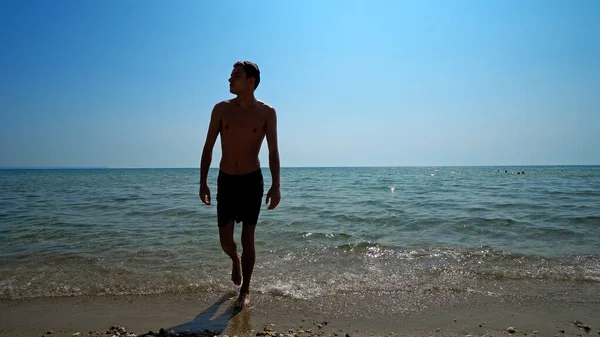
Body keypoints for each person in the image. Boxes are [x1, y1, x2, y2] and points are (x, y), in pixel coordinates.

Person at [199, 61, 281, 309]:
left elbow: (273, 151)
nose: (230, 80)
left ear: (250, 82)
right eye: (230, 75)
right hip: (226, 180)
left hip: (251, 181)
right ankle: (235, 259)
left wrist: (276, 184)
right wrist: (202, 181)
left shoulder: (267, 112)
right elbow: (208, 146)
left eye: (236, 76)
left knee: (248, 236)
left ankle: (245, 290)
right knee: (225, 240)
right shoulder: (221, 109)